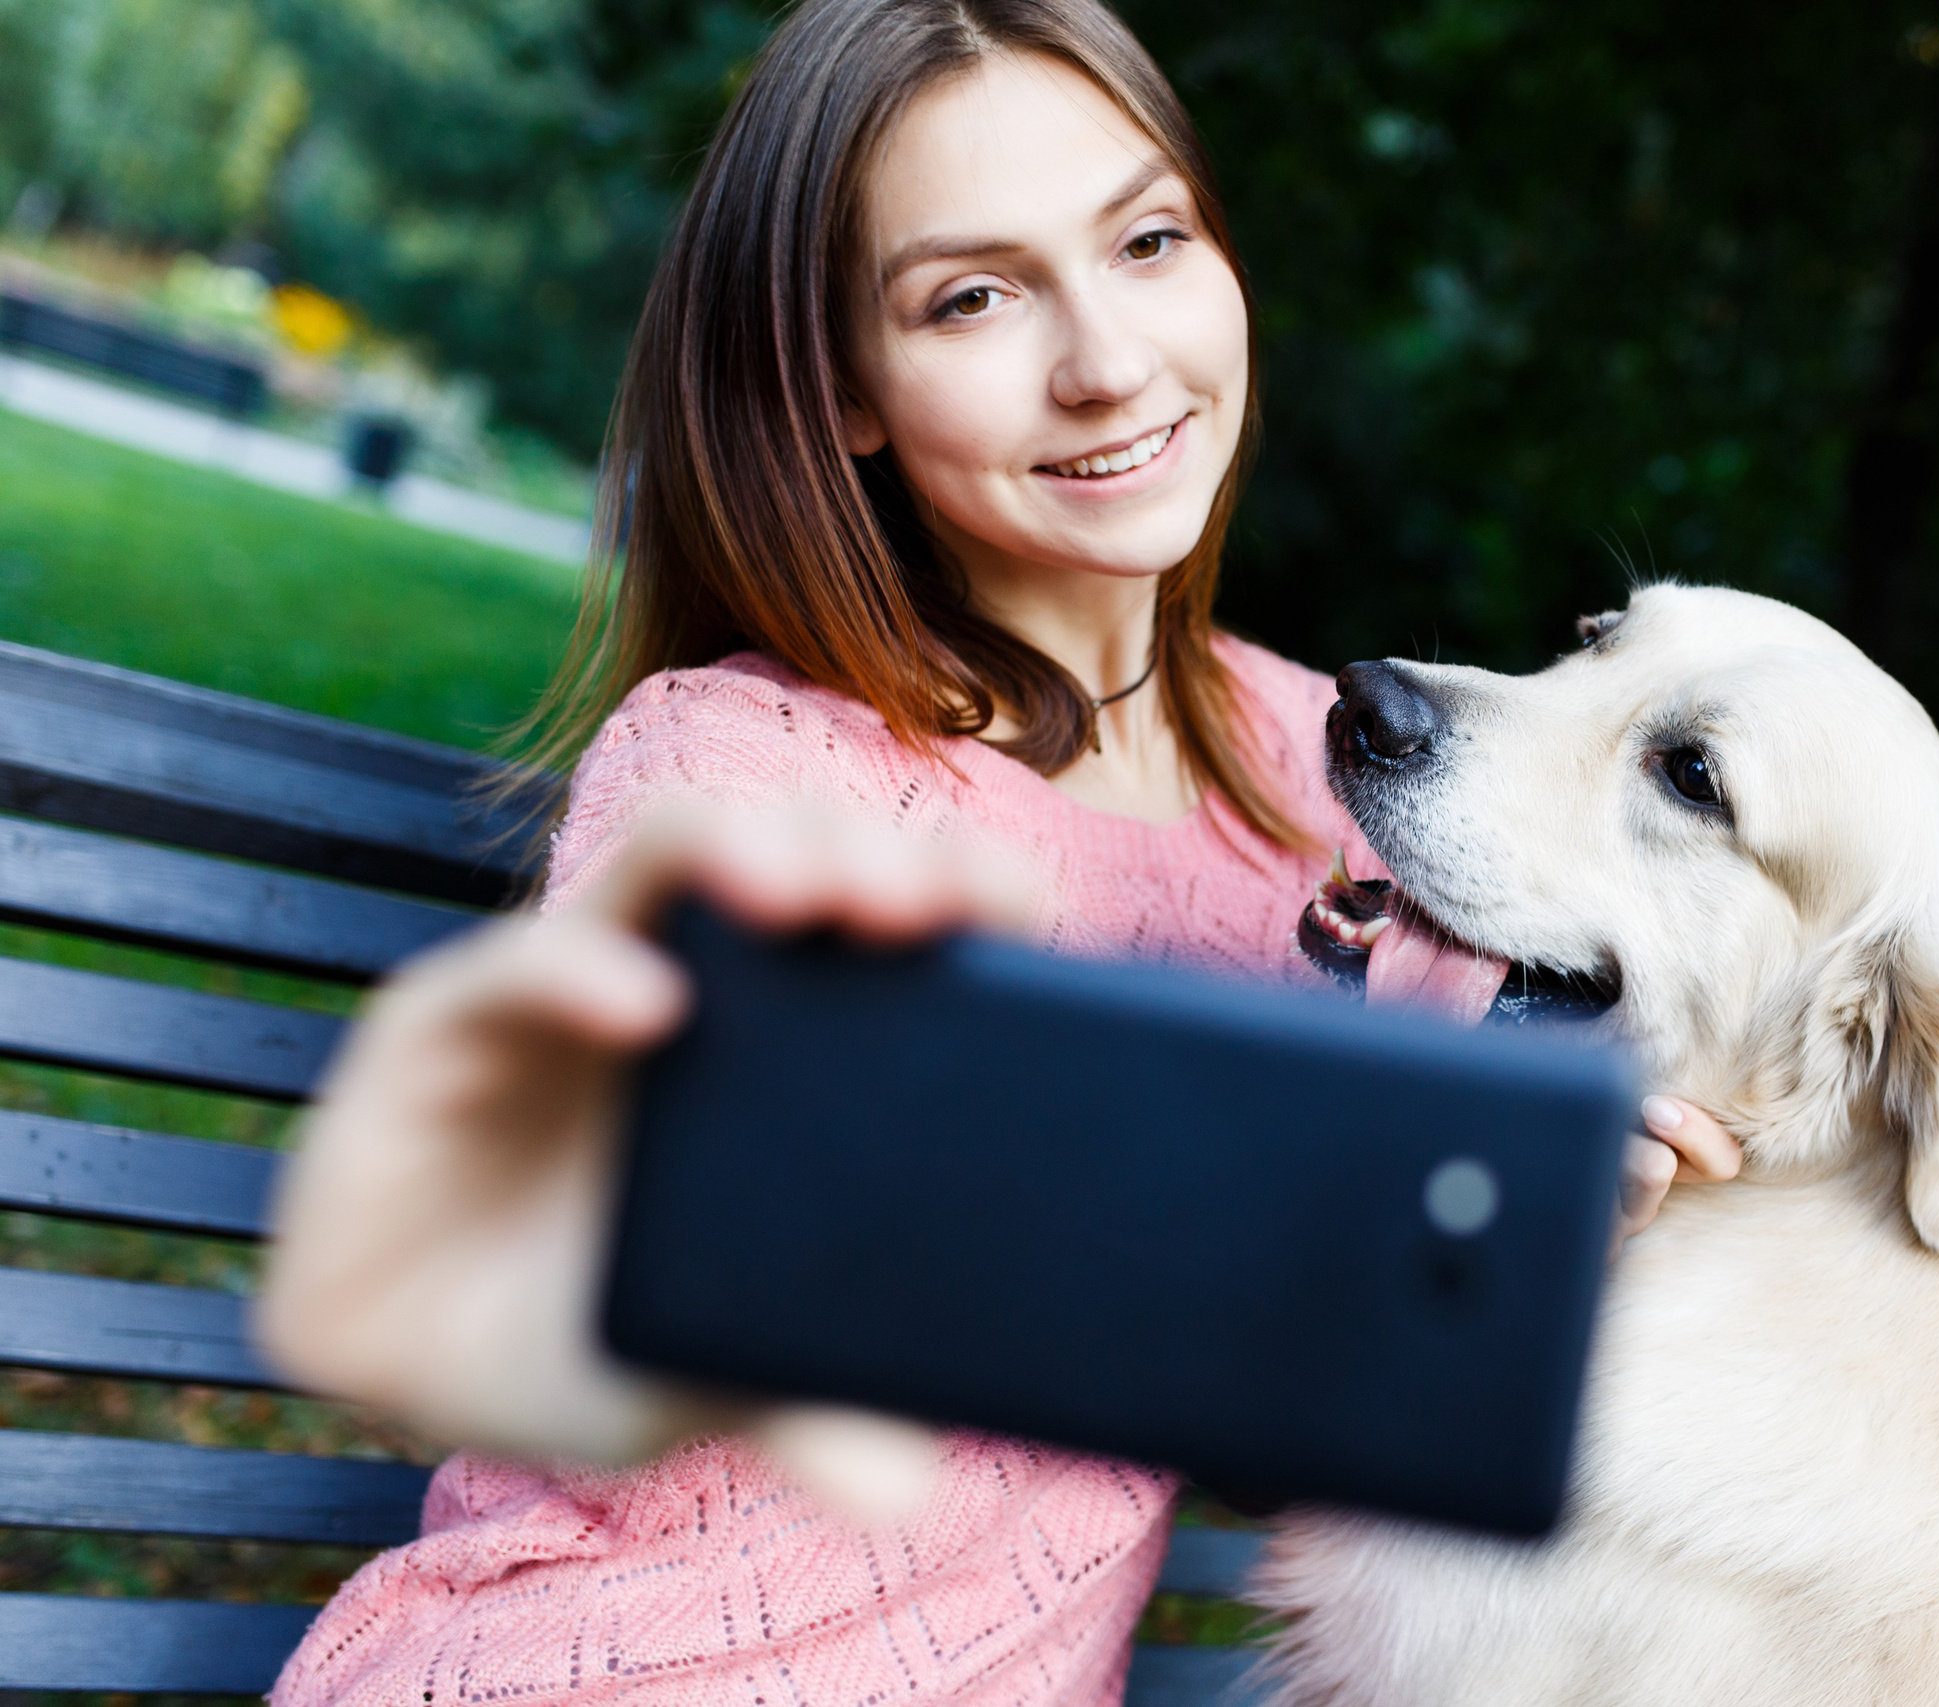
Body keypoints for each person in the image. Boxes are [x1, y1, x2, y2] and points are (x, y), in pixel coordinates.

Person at [256, 3, 1741, 1704]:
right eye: (972, 296)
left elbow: (1275, 1432)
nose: (1105, 359)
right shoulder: (748, 769)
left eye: (1150, 240)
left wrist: (1523, 1246)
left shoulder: (1339, 780)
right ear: (847, 394)